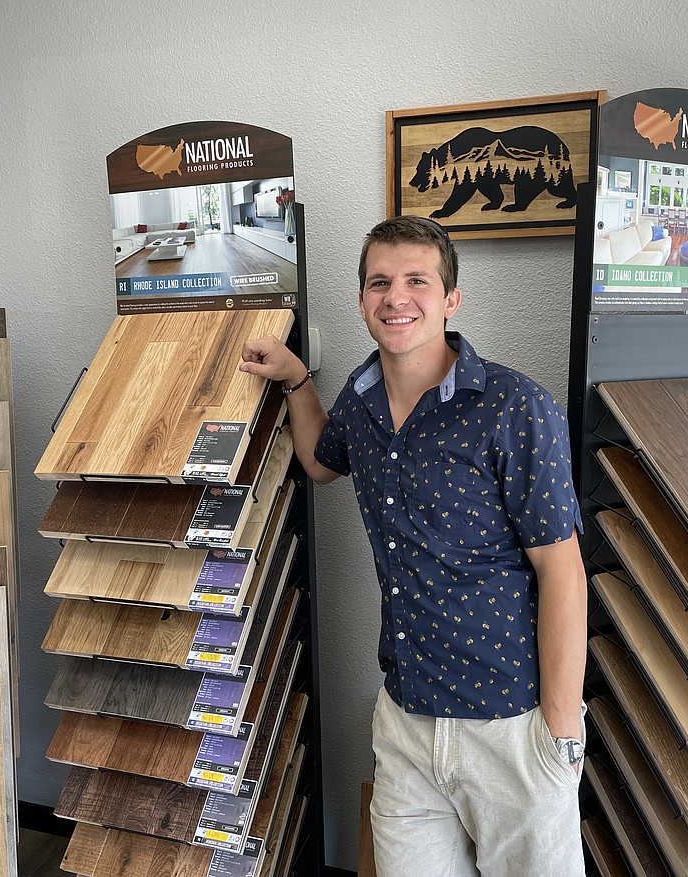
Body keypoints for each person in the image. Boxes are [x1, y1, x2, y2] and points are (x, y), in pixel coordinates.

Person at [239, 216, 587, 877]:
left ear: (450, 300)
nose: (396, 297)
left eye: (416, 280)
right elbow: (320, 458)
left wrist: (561, 733)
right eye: (380, 282)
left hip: (511, 725)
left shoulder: (516, 407)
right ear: (363, 301)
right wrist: (294, 381)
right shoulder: (362, 401)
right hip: (405, 721)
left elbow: (563, 571)